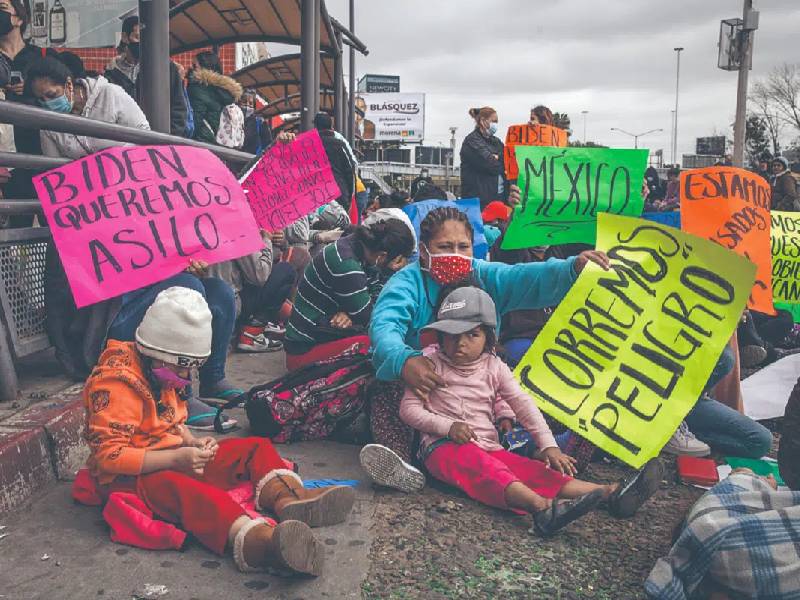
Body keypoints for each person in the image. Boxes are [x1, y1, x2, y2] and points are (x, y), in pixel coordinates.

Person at [84, 287, 355, 576]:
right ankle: (261, 545)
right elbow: (110, 458)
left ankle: (288, 501)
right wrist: (177, 458)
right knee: (192, 493)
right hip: (132, 477)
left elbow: (171, 422)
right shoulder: (116, 385)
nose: (185, 378)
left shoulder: (160, 371)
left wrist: (192, 442)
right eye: (181, 369)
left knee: (254, 448)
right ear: (157, 355)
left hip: (173, 458)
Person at [360, 206, 609, 487]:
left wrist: (572, 268)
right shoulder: (406, 283)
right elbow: (384, 327)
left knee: (516, 396)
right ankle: (401, 465)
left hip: (477, 393)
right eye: (445, 246)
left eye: (463, 246)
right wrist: (404, 361)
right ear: (424, 250)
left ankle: (548, 450)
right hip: (423, 390)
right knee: (384, 392)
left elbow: (525, 277)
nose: (455, 254)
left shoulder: (484, 276)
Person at [395, 284, 663, 536]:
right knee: (489, 470)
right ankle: (543, 510)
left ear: (489, 336)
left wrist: (548, 446)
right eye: (451, 335)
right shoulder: (428, 364)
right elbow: (408, 410)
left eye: (472, 335)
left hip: (489, 445)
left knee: (531, 469)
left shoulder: (495, 366)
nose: (460, 343)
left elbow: (523, 404)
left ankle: (610, 494)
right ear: (440, 335)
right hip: (441, 448)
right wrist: (447, 427)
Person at [284, 218, 415, 371]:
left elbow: (373, 292)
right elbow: (373, 318)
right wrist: (390, 273)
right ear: (383, 255)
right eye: (400, 261)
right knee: (378, 344)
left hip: (320, 332)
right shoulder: (347, 265)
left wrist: (352, 313)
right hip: (302, 352)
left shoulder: (356, 244)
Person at [27, 56, 149, 159]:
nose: (48, 103)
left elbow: (144, 133)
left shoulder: (110, 94)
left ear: (68, 84)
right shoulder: (48, 125)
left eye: (51, 95)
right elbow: (54, 171)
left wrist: (115, 158)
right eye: (42, 100)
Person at [0, 0, 53, 227]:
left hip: (42, 154)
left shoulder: (41, 56)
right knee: (12, 230)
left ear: (20, 18)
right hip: (6, 161)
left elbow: (64, 93)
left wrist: (33, 89)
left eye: (2, 10)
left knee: (53, 225)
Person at [206, 231, 292, 353]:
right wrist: (266, 240)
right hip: (230, 304)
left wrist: (280, 242)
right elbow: (260, 274)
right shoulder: (236, 229)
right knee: (285, 271)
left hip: (206, 300)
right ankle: (252, 333)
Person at [104, 15, 187, 137]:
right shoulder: (111, 73)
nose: (143, 42)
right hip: (125, 142)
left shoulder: (166, 68)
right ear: (125, 37)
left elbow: (179, 108)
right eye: (137, 37)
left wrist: (170, 137)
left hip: (160, 141)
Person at [188, 51, 243, 145]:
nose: (191, 69)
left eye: (194, 66)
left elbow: (194, 120)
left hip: (199, 142)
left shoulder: (197, 88)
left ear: (205, 67)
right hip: (217, 143)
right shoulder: (224, 91)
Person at [460, 106, 506, 209]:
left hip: (497, 199)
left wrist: (497, 157)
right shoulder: (472, 141)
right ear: (483, 121)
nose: (495, 125)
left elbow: (507, 160)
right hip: (478, 202)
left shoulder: (496, 142)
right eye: (493, 121)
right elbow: (491, 166)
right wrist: (498, 159)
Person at [313, 112, 356, 212]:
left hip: (316, 197)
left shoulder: (309, 146)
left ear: (315, 127)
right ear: (331, 126)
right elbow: (350, 171)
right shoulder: (339, 145)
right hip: (339, 195)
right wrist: (349, 198)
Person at [240, 88, 272, 155]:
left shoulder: (260, 122)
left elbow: (268, 145)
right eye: (244, 102)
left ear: (254, 107)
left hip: (252, 161)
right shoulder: (233, 119)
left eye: (250, 103)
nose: (247, 105)